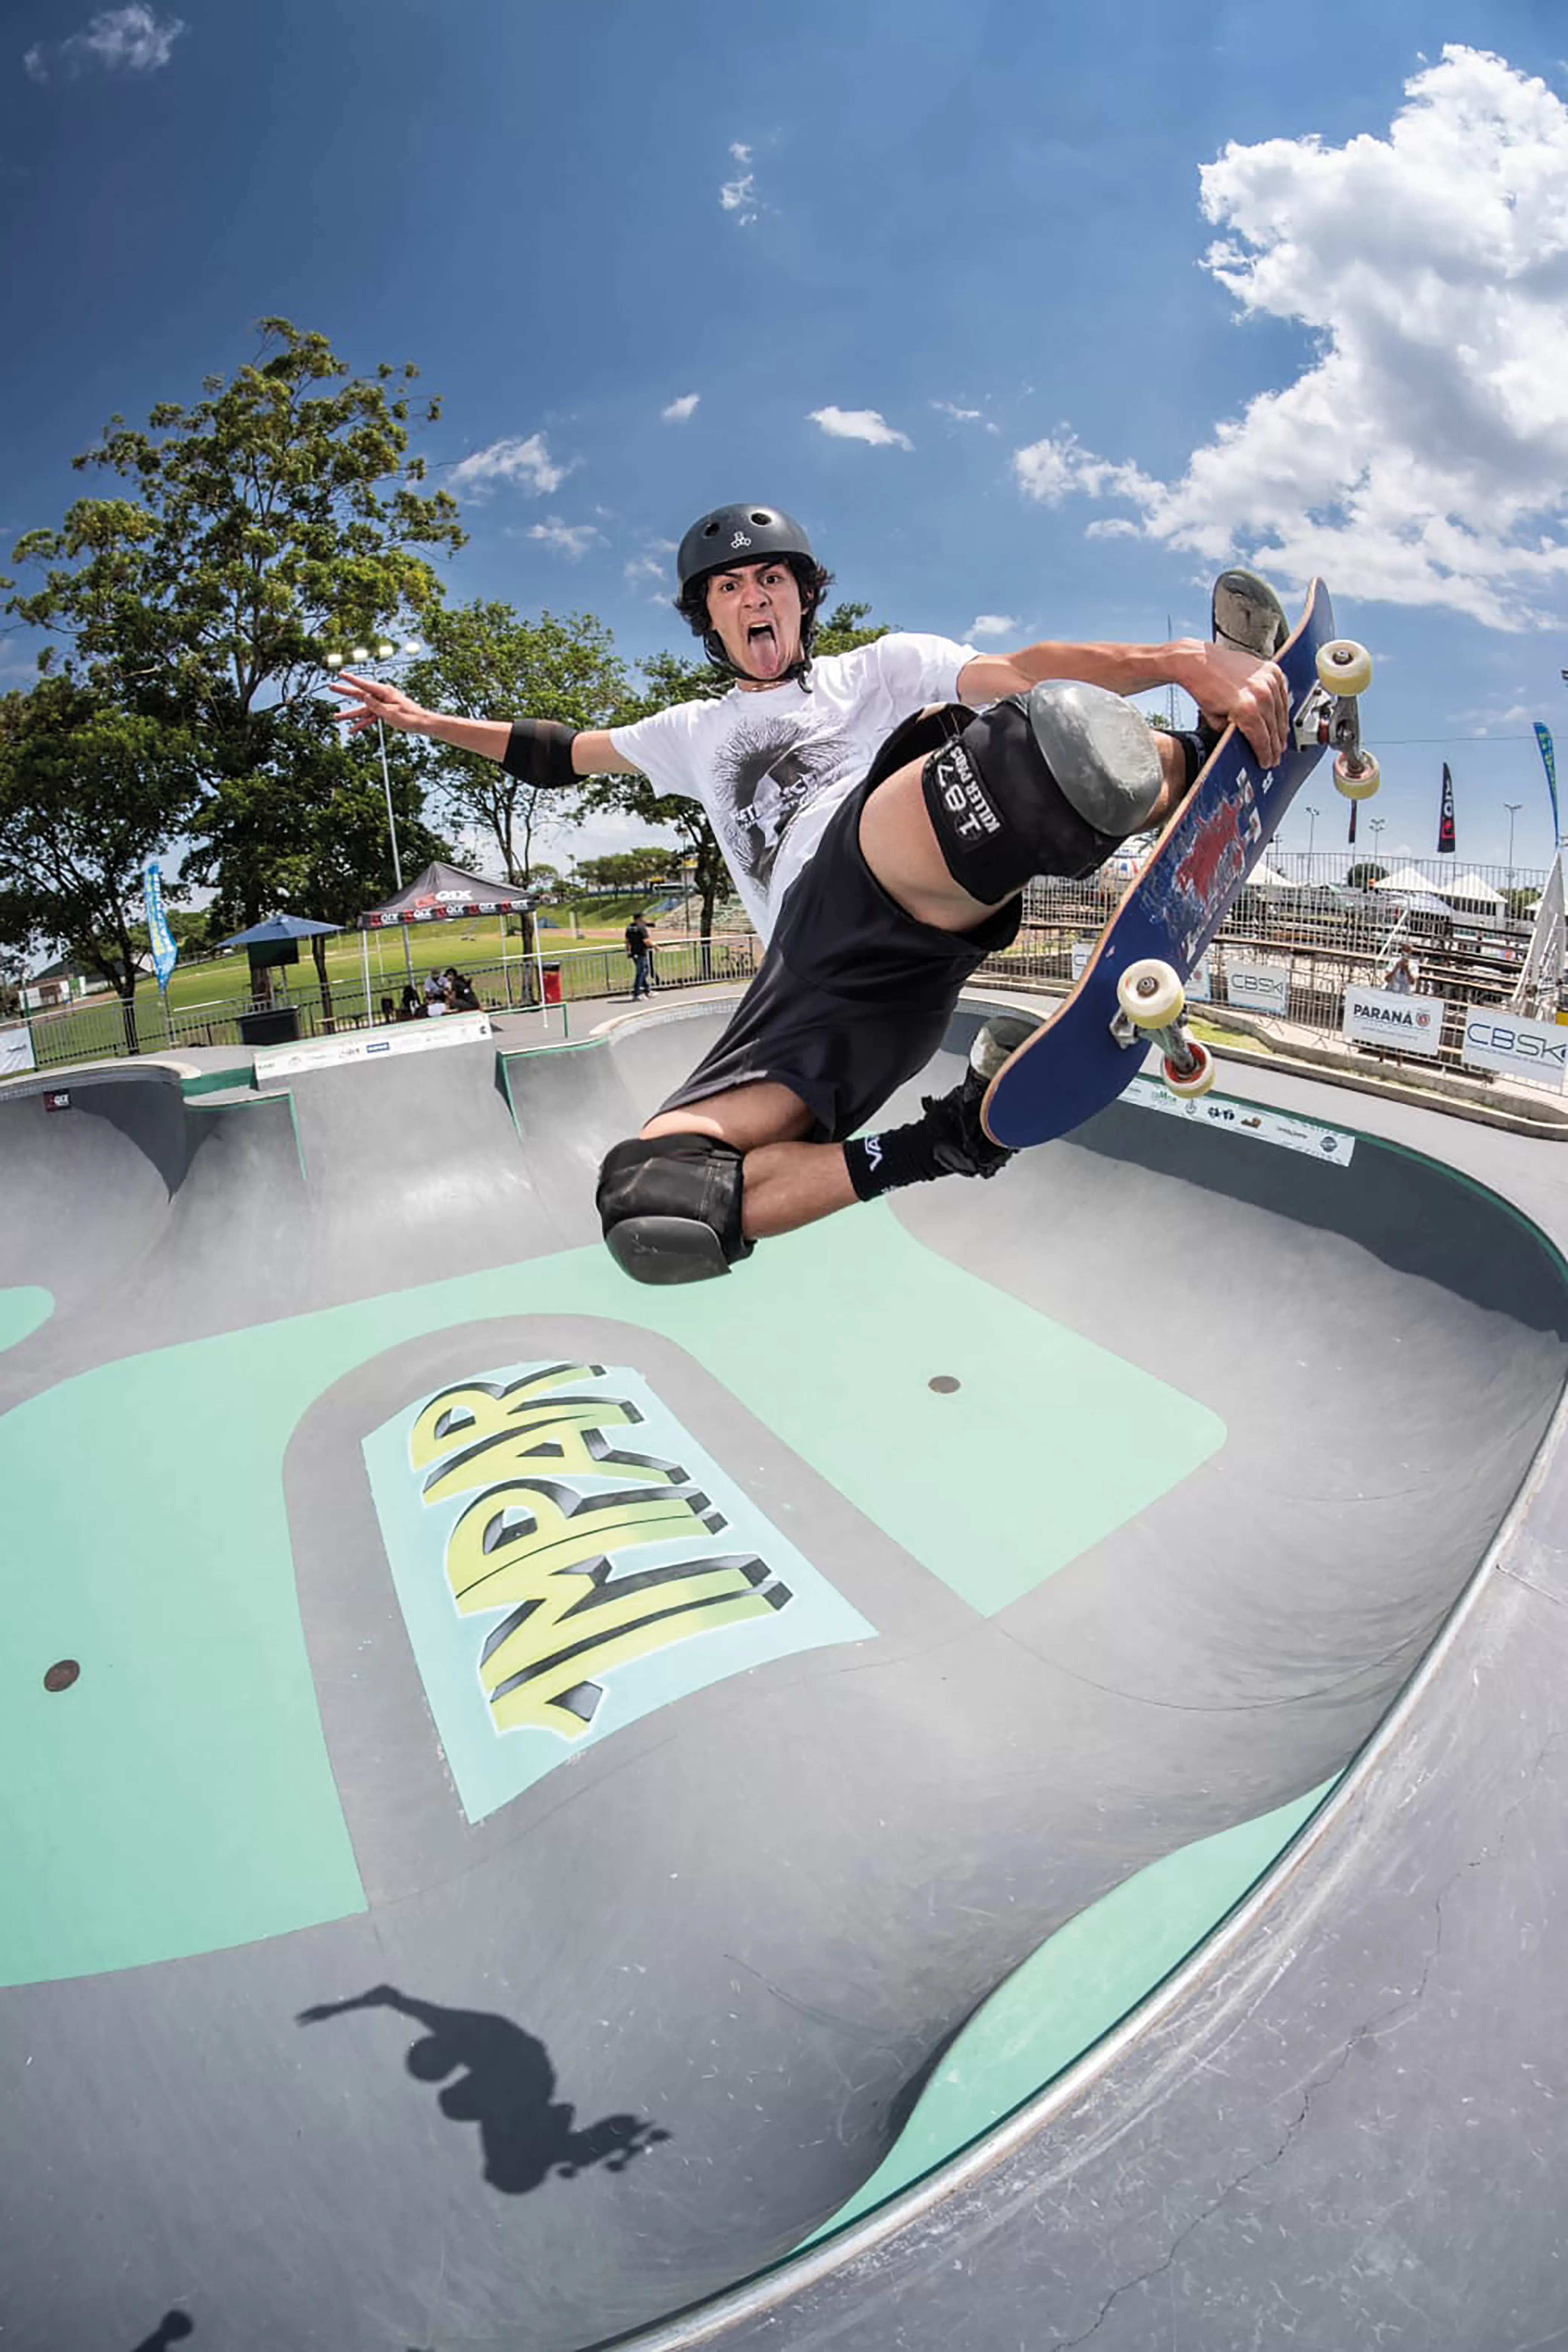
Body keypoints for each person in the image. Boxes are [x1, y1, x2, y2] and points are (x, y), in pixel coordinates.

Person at [332, 505, 1290, 1286]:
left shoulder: (877, 669)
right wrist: (423, 721)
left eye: (770, 580)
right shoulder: (691, 728)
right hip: (811, 986)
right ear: (709, 619)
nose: (753, 598)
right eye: (729, 588)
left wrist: (1174, 664)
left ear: (802, 598)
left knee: (1038, 747)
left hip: (878, 864)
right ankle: (949, 1137)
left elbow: (1030, 670)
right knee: (652, 1202)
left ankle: (1205, 747)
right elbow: (554, 754)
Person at [625, 911, 654, 1001]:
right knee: (642, 972)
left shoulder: (630, 928)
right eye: (642, 918)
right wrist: (655, 947)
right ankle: (637, 993)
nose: (644, 920)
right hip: (641, 952)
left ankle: (647, 990)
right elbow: (647, 941)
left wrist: (629, 951)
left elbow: (627, 941)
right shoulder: (641, 929)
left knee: (644, 971)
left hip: (634, 953)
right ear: (639, 919)